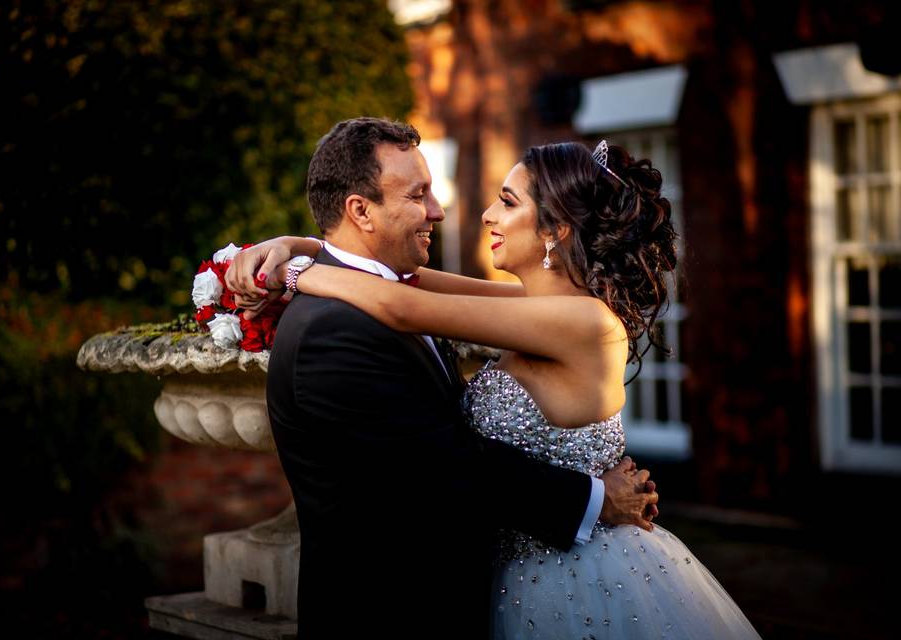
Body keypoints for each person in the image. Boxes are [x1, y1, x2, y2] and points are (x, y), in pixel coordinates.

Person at [233, 125, 762, 639]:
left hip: (572, 574)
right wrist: (298, 244)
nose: (483, 214)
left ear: (555, 230)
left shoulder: (585, 321)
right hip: (505, 573)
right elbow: (406, 283)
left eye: (508, 202)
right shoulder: (532, 307)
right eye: (420, 194)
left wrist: (292, 276)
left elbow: (401, 303)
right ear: (360, 209)